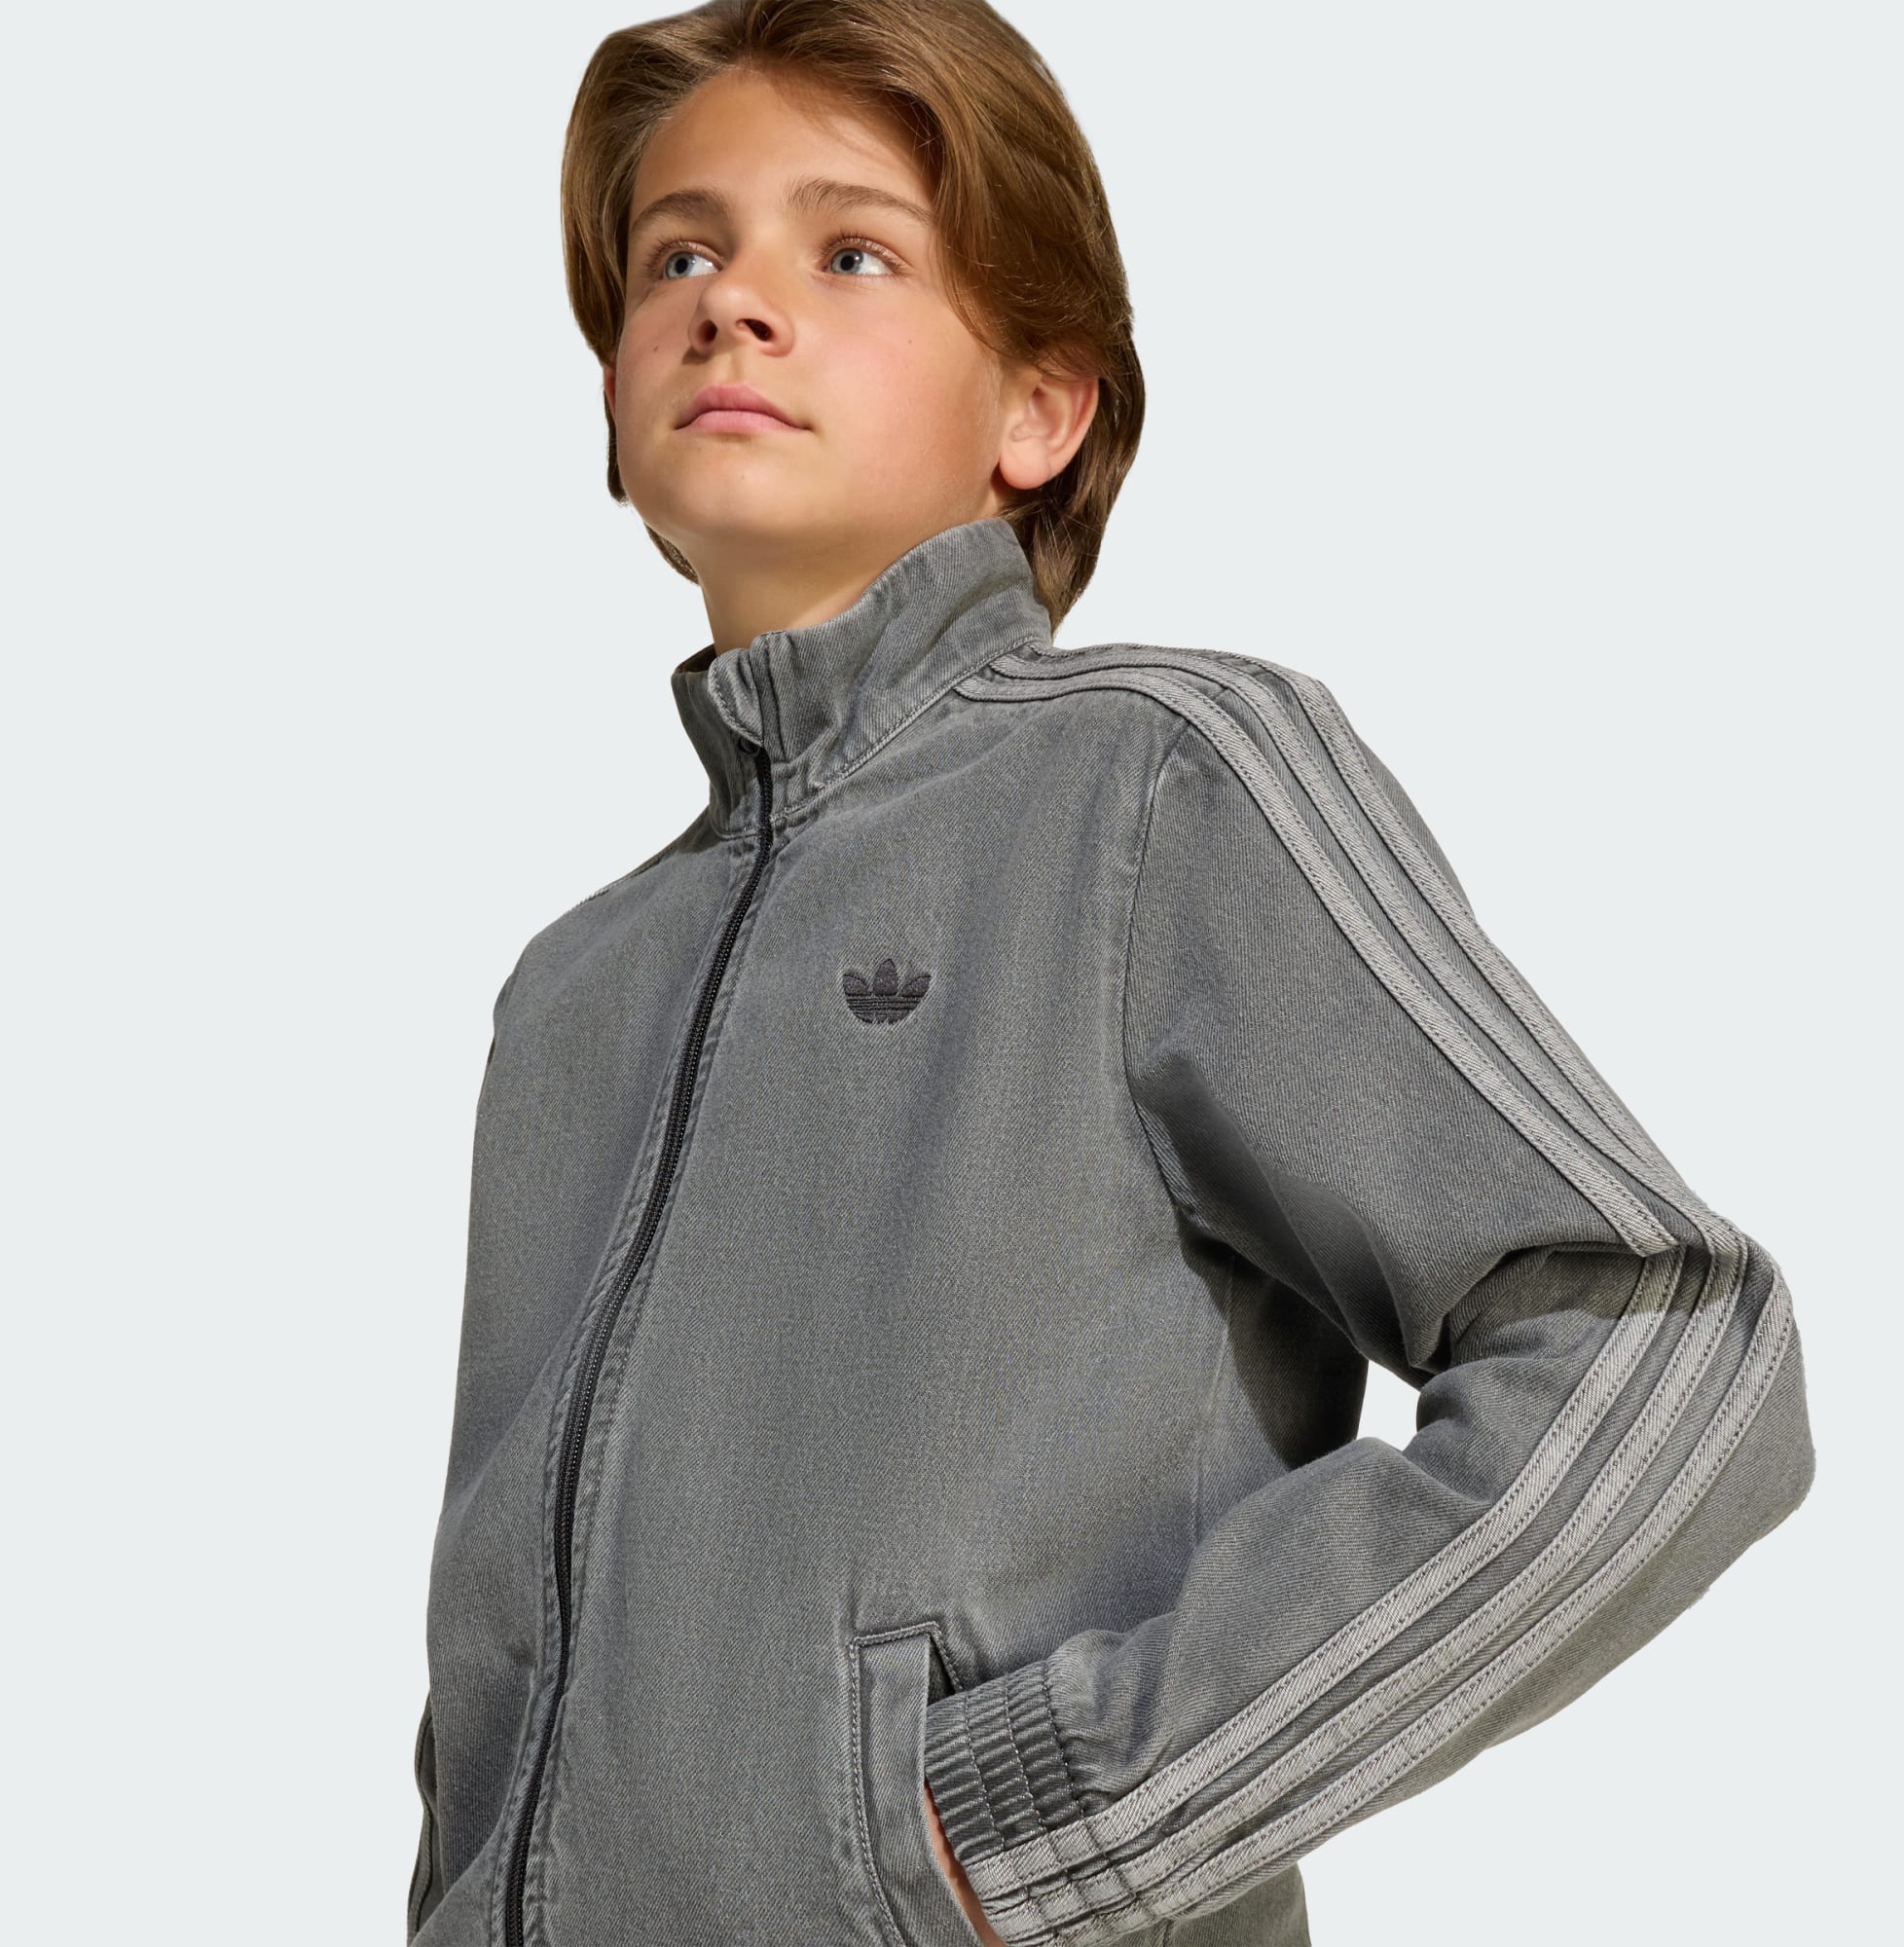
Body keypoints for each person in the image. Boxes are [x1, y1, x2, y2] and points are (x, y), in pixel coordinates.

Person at [406, 4, 1817, 1944]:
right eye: (677, 255)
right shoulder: (573, 992)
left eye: (851, 251)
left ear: (1041, 410)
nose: (731, 301)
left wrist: (1043, 1827)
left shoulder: (1158, 783)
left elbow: (1669, 1353)